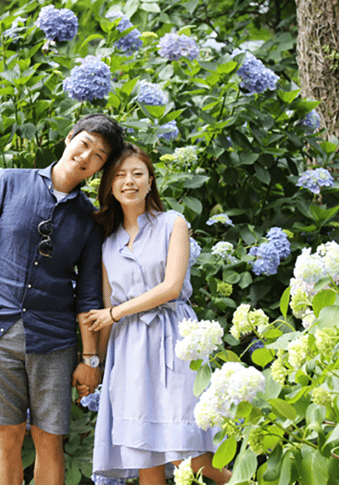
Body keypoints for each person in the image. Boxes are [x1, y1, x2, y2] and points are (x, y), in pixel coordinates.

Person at [0, 113, 124, 485]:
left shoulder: (89, 218)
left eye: (98, 156)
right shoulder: (8, 182)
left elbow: (88, 293)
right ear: (70, 138)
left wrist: (90, 359)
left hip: (55, 339)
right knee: (7, 436)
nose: (86, 156)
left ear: (100, 168)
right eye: (84, 144)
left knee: (49, 439)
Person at [79, 144, 231, 485]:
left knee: (189, 456)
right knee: (144, 456)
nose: (128, 181)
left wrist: (115, 313)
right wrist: (96, 366)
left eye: (137, 174)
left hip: (174, 342)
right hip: (128, 352)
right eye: (119, 175)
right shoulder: (107, 243)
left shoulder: (172, 223)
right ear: (109, 187)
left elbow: (171, 287)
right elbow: (104, 312)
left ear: (150, 182)